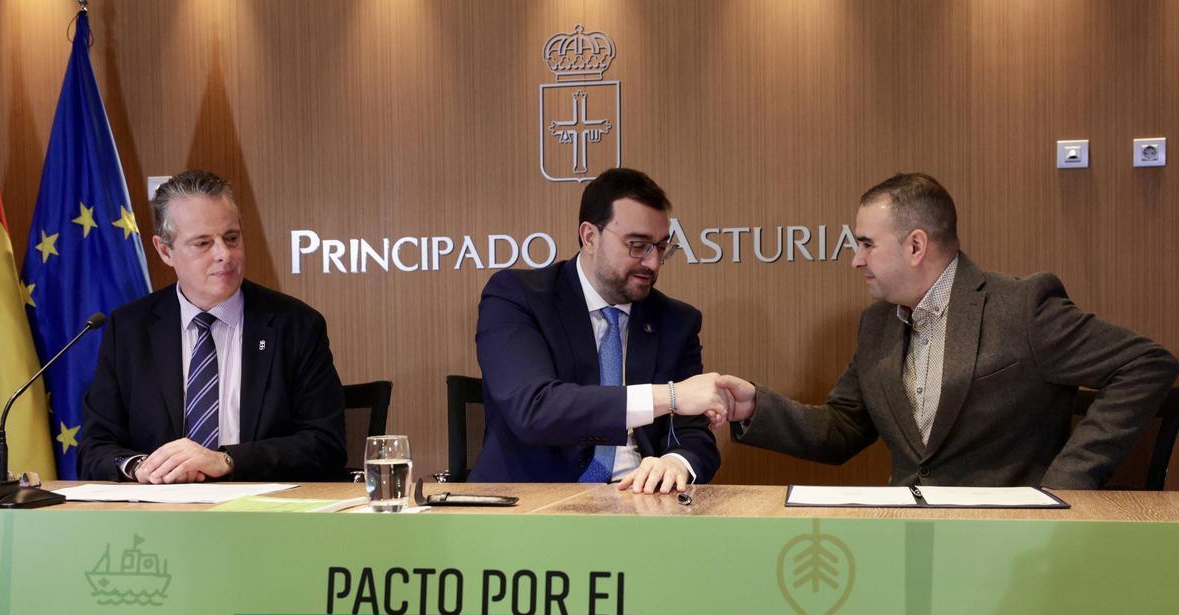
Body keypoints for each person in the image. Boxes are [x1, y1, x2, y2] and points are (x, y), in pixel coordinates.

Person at [714, 172, 1178, 489]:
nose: (856, 259)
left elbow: (1147, 363)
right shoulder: (877, 324)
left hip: (1014, 547)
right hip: (907, 544)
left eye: (867, 244)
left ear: (916, 245)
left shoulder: (1021, 307)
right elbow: (841, 430)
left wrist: (1068, 482)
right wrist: (755, 406)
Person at [79, 169, 346, 483]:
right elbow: (93, 449)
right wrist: (141, 467)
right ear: (165, 251)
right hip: (159, 518)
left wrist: (227, 460)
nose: (224, 255)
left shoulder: (296, 325)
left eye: (231, 238)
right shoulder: (128, 330)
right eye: (203, 243)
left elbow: (326, 446)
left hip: (263, 516)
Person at [471, 167, 724, 492]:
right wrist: (670, 396)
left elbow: (693, 435)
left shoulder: (676, 320)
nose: (653, 263)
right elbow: (535, 409)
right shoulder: (518, 297)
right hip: (531, 506)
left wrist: (676, 462)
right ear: (590, 237)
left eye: (661, 247)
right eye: (637, 245)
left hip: (638, 502)